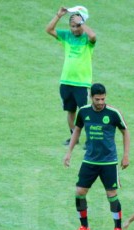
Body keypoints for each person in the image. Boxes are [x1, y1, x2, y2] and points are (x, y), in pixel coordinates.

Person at [63, 83, 130, 230]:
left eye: (103, 99)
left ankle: (118, 229)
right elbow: (77, 129)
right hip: (90, 161)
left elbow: (125, 132)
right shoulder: (84, 112)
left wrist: (126, 155)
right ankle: (84, 227)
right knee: (80, 192)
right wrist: (69, 152)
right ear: (91, 97)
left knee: (111, 194)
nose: (100, 102)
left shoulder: (113, 113)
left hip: (108, 161)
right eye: (97, 99)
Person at [46, 6, 96, 145]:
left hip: (81, 83)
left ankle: (90, 141)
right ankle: (74, 138)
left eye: (77, 26)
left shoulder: (87, 39)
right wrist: (58, 15)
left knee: (85, 113)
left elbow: (93, 36)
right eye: (72, 26)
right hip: (66, 81)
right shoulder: (66, 36)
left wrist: (82, 23)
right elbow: (49, 30)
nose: (75, 29)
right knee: (70, 111)